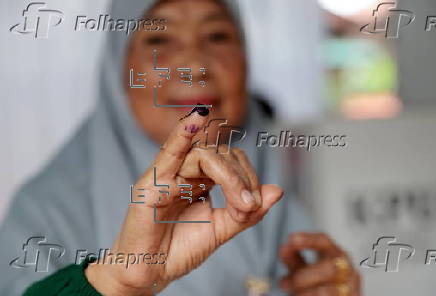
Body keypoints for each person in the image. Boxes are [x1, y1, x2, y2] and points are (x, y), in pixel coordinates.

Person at [0, 0, 361, 295]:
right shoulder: (45, 211)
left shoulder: (298, 173)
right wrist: (113, 283)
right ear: (117, 68)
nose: (195, 65)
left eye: (218, 36)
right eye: (159, 40)